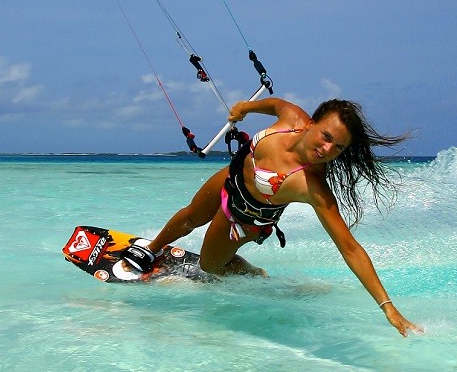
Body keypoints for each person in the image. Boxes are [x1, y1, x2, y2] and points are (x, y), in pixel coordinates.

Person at [123, 97, 421, 336]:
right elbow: (274, 104)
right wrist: (245, 108)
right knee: (189, 217)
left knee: (209, 266)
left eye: (338, 147)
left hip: (246, 217)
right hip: (232, 179)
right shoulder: (291, 118)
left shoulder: (312, 185)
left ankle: (255, 274)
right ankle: (151, 249)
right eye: (326, 136)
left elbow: (350, 248)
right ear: (312, 123)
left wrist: (387, 307)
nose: (328, 149)